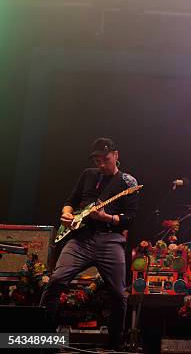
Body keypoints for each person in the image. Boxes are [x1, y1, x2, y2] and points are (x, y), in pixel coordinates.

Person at [40, 137, 139, 349]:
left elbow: (130, 219)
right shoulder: (88, 175)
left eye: (106, 159)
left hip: (110, 239)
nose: (101, 165)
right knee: (56, 280)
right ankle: (43, 338)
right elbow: (71, 201)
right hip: (80, 239)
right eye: (97, 161)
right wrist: (66, 215)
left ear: (116, 156)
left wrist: (107, 218)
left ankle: (115, 345)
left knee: (118, 293)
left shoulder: (128, 183)